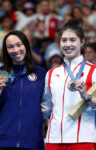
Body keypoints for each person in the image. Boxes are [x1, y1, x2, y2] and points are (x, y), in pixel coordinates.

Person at [41, 19, 96, 150]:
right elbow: (46, 108)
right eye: (64, 40)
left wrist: (86, 96)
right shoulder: (51, 74)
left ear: (82, 42)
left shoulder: (93, 71)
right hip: (54, 139)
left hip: (83, 139)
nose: (68, 44)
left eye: (73, 40)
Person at [0, 30, 46, 150]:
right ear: (6, 51)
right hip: (1, 142)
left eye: (19, 45)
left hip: (31, 143)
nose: (15, 50)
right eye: (10, 47)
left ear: (26, 45)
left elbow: (46, 107)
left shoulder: (40, 74)